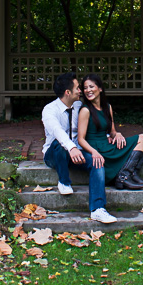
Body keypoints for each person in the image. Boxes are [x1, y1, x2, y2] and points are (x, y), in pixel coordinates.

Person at [41, 71, 117, 224]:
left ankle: (97, 209)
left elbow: (90, 126)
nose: (81, 91)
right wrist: (71, 147)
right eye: (77, 88)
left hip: (76, 154)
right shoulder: (49, 110)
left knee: (97, 162)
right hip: (54, 155)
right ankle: (64, 181)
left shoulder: (78, 106)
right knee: (59, 144)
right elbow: (58, 132)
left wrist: (110, 136)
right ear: (68, 92)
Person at [77, 73, 143, 190]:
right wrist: (93, 152)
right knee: (141, 140)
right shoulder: (85, 110)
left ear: (100, 88)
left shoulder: (107, 107)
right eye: (85, 88)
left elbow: (112, 131)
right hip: (97, 148)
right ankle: (123, 177)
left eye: (91, 87)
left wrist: (117, 134)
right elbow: (80, 139)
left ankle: (132, 174)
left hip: (106, 144)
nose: (88, 90)